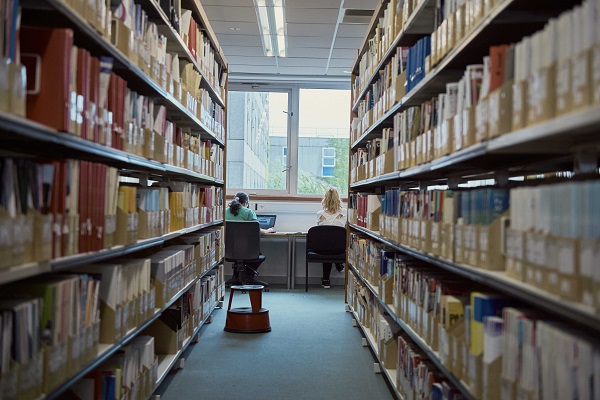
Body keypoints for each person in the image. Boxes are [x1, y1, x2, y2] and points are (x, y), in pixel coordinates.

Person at [225, 192, 274, 286]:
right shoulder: (248, 212)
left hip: (228, 250)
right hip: (247, 250)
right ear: (246, 203)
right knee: (256, 256)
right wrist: (269, 230)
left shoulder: (224, 211)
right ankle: (247, 277)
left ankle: (237, 276)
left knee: (240, 255)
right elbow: (258, 230)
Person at [316, 187, 347, 289]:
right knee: (333, 243)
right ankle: (338, 263)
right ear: (338, 199)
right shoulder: (345, 213)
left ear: (325, 199)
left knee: (327, 245)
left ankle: (326, 280)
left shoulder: (320, 214)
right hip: (339, 249)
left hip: (323, 249)